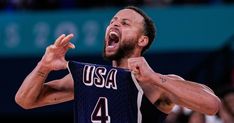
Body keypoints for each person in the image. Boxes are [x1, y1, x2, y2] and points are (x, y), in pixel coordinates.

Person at [15, 6, 221, 122]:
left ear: (142, 40)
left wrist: (155, 78)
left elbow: (212, 105)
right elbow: (25, 101)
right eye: (113, 21)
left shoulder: (154, 84)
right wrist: (43, 66)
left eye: (125, 23)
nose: (114, 24)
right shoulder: (89, 79)